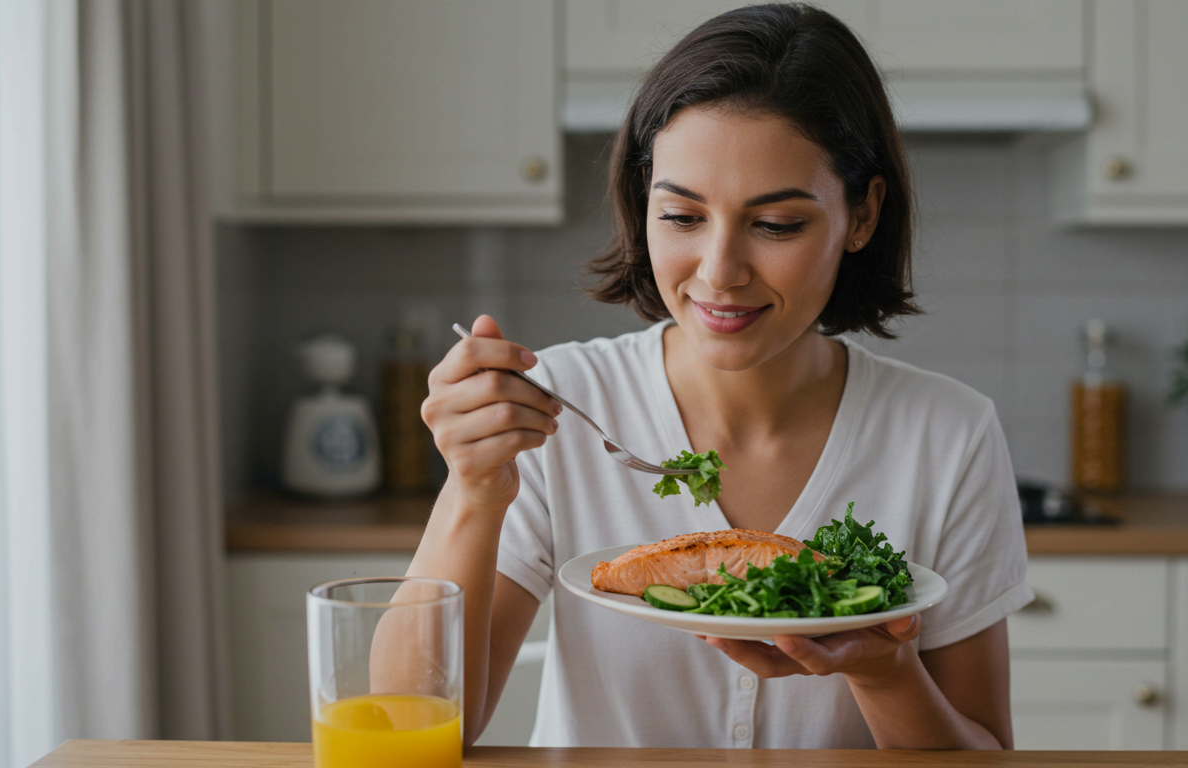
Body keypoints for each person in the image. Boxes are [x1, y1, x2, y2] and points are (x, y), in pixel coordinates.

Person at [408, 3, 1032, 750]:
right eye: (681, 216)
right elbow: (405, 733)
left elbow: (985, 755)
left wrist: (886, 671)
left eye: (775, 226)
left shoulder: (949, 434)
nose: (719, 272)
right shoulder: (562, 408)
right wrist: (471, 494)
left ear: (862, 216)